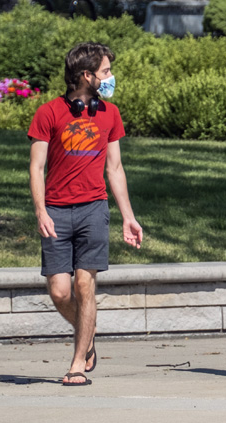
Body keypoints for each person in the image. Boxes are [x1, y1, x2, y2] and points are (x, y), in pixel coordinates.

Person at [28, 42, 143, 387]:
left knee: (84, 284)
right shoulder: (48, 112)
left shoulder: (110, 113)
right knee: (60, 292)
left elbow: (115, 168)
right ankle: (87, 334)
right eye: (106, 71)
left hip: (94, 208)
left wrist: (128, 216)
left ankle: (77, 364)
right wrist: (40, 211)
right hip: (56, 211)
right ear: (86, 75)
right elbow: (36, 168)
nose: (111, 77)